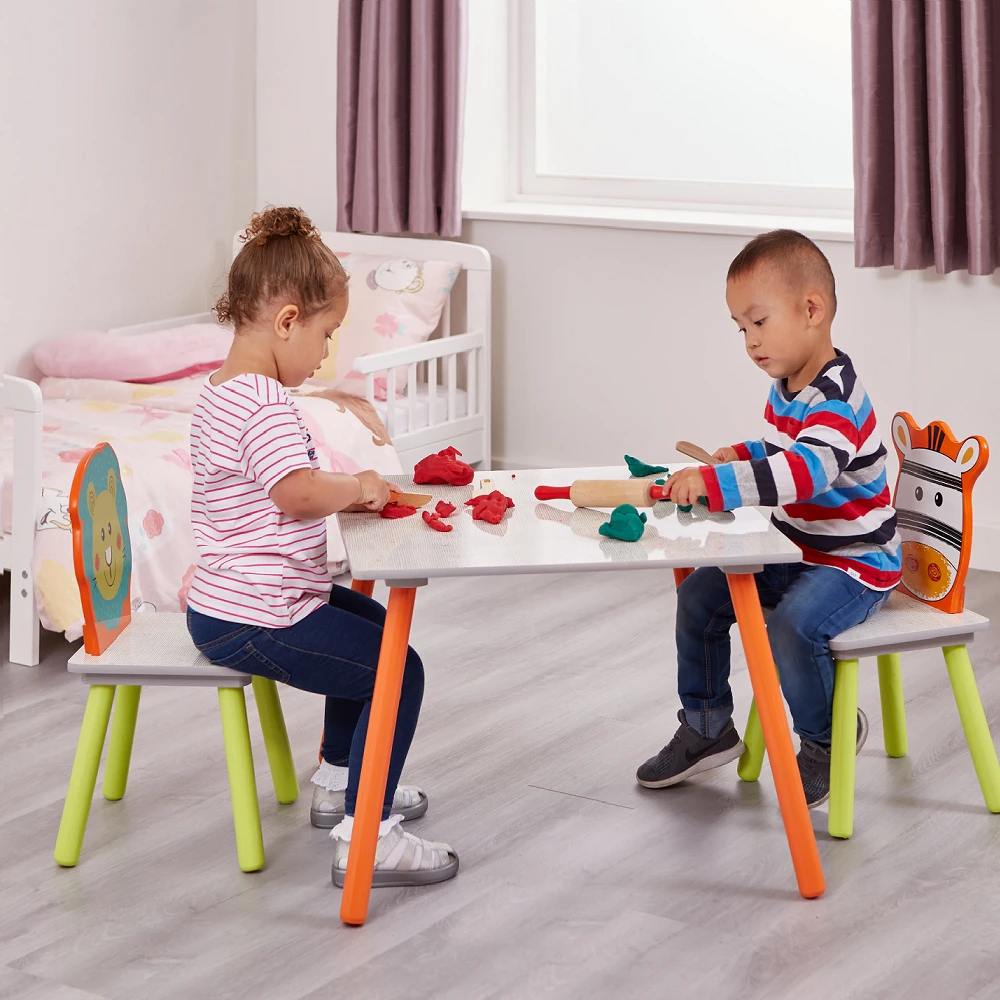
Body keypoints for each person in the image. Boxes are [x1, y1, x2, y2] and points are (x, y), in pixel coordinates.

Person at [185, 206, 458, 886]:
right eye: (326, 335)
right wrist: (358, 484)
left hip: (230, 601)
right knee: (399, 670)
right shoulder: (266, 404)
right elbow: (296, 493)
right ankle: (370, 837)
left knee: (377, 632)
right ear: (286, 321)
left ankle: (340, 779)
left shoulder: (220, 393)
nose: (326, 355)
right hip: (258, 612)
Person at [637, 229, 901, 806]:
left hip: (855, 563)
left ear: (812, 309)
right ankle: (708, 727)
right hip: (798, 549)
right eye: (741, 329)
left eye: (758, 322)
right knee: (700, 599)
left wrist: (715, 484)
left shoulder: (837, 398)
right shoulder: (786, 386)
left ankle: (826, 741)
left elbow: (806, 472)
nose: (750, 342)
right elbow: (780, 450)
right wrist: (741, 455)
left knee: (794, 625)